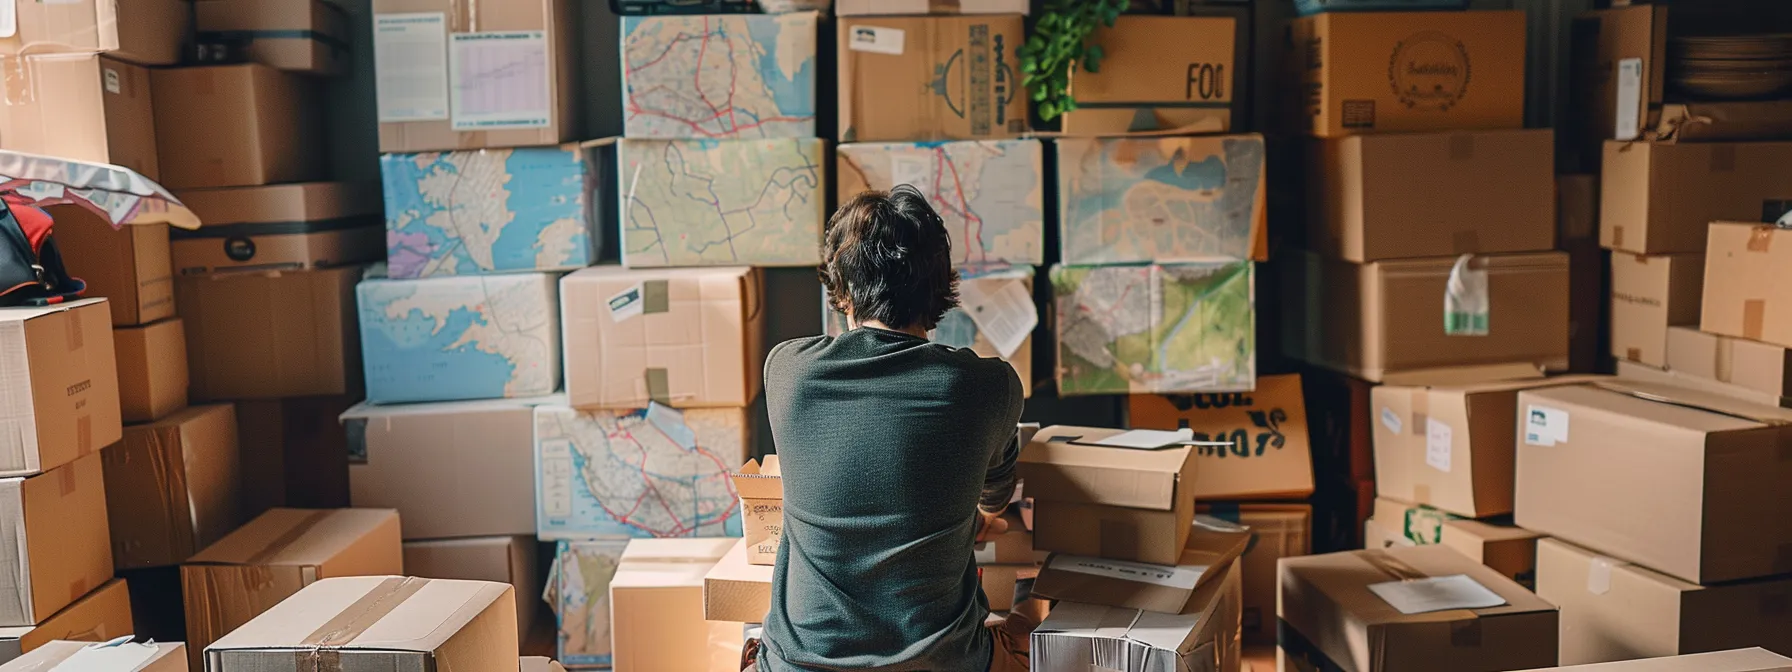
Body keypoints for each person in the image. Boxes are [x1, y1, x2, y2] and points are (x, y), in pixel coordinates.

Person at [748, 186, 1037, 672]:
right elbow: (995, 495)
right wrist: (976, 516)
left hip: (799, 666)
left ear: (840, 290)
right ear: (941, 288)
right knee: (1031, 626)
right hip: (945, 664)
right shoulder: (988, 387)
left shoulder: (786, 371)